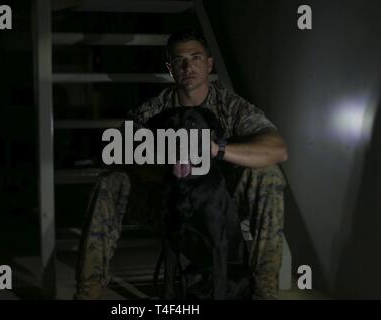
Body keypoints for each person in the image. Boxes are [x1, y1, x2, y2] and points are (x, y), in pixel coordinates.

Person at [74, 30, 288, 300]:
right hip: (167, 199)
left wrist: (217, 150)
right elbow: (113, 149)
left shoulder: (230, 107)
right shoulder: (155, 108)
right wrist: (160, 164)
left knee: (268, 176)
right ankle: (88, 291)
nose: (188, 67)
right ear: (170, 68)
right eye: (180, 60)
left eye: (196, 57)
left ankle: (264, 292)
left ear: (209, 64)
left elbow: (277, 149)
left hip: (218, 201)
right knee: (111, 182)